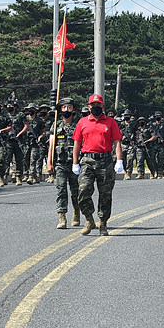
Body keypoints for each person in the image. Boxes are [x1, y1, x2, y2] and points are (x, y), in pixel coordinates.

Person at [71, 94, 124, 236]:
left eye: (98, 105)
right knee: (83, 191)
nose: (95, 108)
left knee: (105, 194)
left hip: (105, 160)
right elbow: (76, 143)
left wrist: (119, 160)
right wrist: (75, 162)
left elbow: (117, 142)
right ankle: (89, 219)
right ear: (89, 107)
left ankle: (103, 223)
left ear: (103, 107)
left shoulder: (110, 122)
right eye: (93, 106)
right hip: (87, 160)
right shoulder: (82, 122)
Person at [48, 97, 81, 229]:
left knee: (76, 191)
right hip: (60, 163)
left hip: (74, 163)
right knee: (61, 189)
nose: (67, 109)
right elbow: (51, 145)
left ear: (73, 109)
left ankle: (76, 213)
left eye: (69, 107)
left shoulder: (78, 125)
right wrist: (49, 163)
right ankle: (62, 217)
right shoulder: (55, 125)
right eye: (64, 107)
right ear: (60, 110)